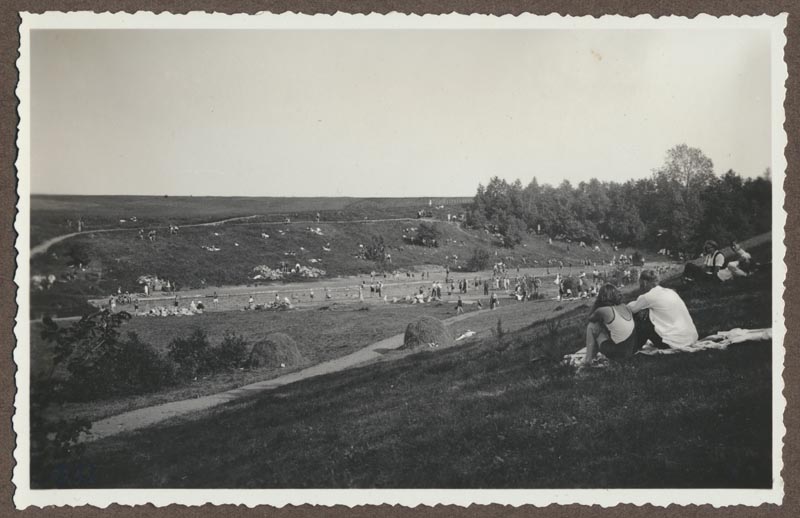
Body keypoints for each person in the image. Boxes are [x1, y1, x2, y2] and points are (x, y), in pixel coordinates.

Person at [627, 270, 698, 350]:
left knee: (642, 316)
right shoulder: (670, 292)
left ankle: (633, 347)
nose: (640, 287)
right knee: (647, 312)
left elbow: (630, 309)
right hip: (690, 338)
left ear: (644, 282)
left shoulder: (648, 296)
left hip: (673, 343)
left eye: (640, 284)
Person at [584, 284, 637, 366]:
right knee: (608, 326)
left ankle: (588, 359)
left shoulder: (603, 310)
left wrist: (597, 303)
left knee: (592, 326)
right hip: (629, 350)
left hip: (617, 352)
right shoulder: (624, 306)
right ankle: (593, 355)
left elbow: (590, 318)